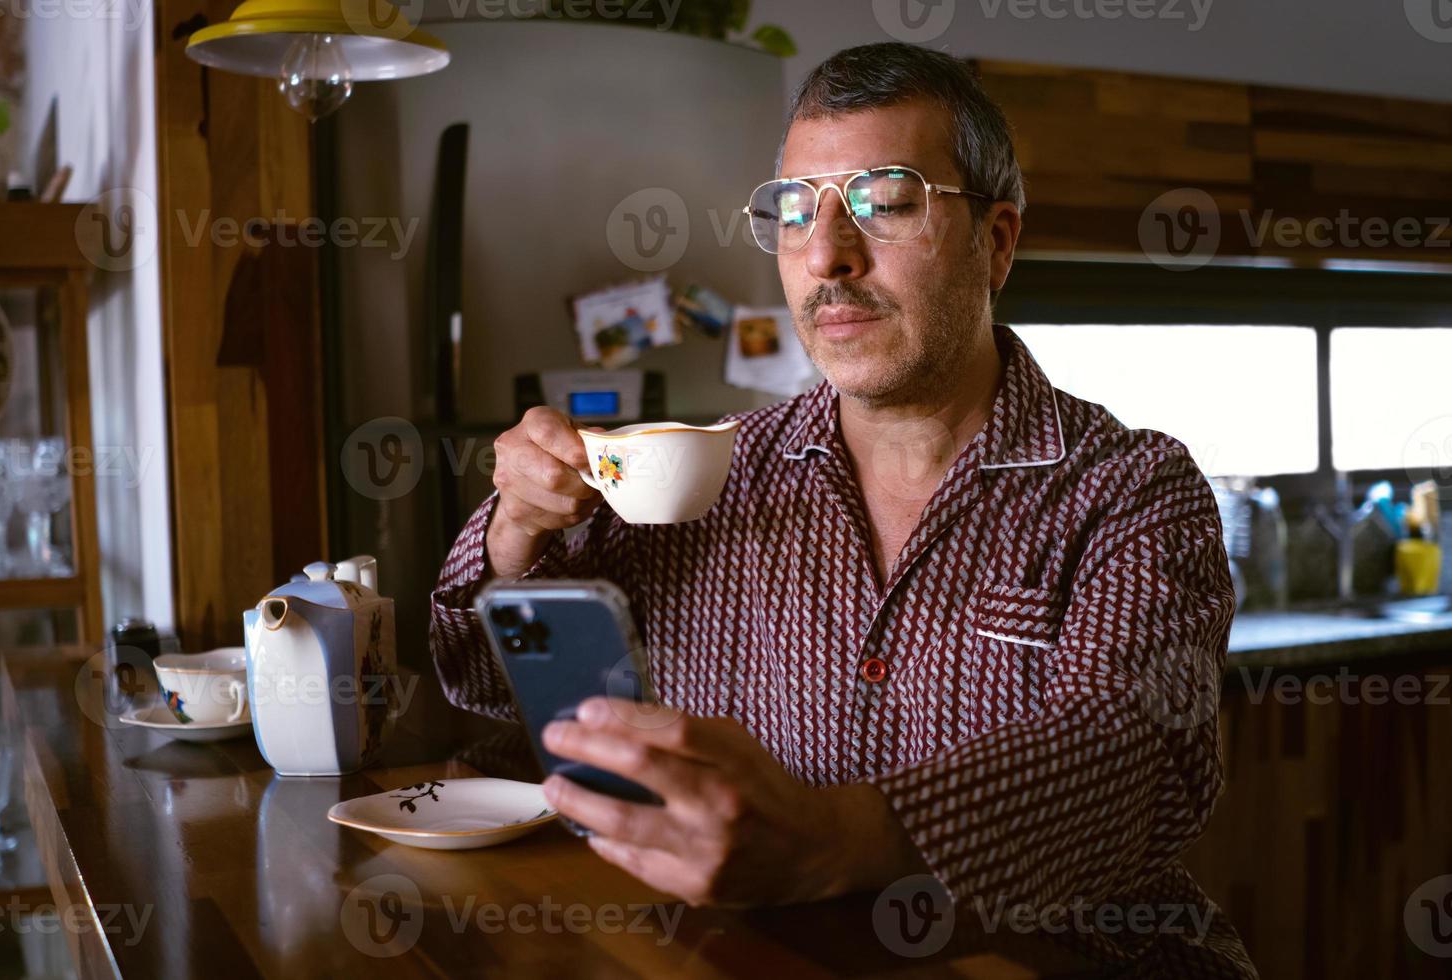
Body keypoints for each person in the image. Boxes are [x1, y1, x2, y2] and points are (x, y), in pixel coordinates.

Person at [431, 42, 1255, 977]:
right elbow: (485, 687)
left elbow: (1133, 760)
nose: (827, 253)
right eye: (795, 211)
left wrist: (840, 837)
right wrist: (515, 532)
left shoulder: (1130, 490)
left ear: (998, 242)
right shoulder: (701, 472)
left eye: (887, 202)